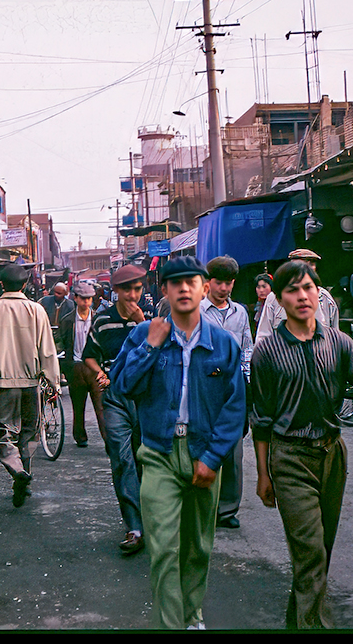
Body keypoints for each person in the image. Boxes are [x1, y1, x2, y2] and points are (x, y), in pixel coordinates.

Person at [250, 260, 353, 629]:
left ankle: (297, 623)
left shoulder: (340, 343)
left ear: (318, 293)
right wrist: (263, 474)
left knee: (319, 551)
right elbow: (261, 420)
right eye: (292, 290)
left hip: (332, 454)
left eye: (308, 287)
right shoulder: (267, 352)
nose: (302, 296)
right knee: (309, 551)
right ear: (279, 300)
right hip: (290, 457)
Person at [110, 256, 246, 630]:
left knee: (198, 548)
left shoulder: (223, 344)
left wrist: (214, 457)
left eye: (192, 281)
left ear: (204, 288)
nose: (184, 288)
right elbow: (123, 387)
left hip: (204, 453)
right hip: (158, 454)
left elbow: (235, 407)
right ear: (165, 291)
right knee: (164, 549)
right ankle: (172, 626)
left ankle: (192, 614)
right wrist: (151, 347)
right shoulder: (144, 334)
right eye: (175, 282)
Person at [0, 264, 61, 507]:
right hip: (30, 383)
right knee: (29, 432)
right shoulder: (36, 310)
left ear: (2, 285)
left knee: (6, 433)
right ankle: (23, 474)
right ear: (25, 285)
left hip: (1, 384)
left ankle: (17, 470)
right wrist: (53, 382)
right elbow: (48, 351)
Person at [81, 264, 150, 555]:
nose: (133, 294)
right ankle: (134, 526)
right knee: (121, 458)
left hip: (148, 398)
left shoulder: (153, 317)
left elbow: (162, 352)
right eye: (126, 289)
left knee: (148, 458)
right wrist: (98, 372)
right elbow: (89, 356)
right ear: (116, 291)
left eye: (137, 288)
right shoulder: (103, 320)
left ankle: (152, 518)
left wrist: (142, 321)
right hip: (116, 397)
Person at [199, 256, 253, 530]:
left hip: (233, 384)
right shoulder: (196, 310)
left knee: (233, 448)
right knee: (203, 443)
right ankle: (203, 504)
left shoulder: (240, 312)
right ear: (208, 283)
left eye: (228, 283)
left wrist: (246, 379)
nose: (223, 288)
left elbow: (247, 347)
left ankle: (228, 508)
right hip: (203, 384)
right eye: (218, 282)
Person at [255, 249, 339, 345]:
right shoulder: (275, 296)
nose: (307, 269)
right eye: (302, 264)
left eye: (311, 264)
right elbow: (263, 336)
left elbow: (334, 337)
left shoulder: (325, 298)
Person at [57, 281, 101, 447]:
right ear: (75, 298)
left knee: (101, 406)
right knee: (78, 405)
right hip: (75, 366)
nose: (86, 302)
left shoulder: (98, 319)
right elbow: (60, 342)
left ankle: (108, 439)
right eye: (83, 298)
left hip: (95, 368)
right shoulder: (67, 320)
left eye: (89, 298)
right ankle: (80, 436)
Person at [248, 272, 273, 340]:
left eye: (264, 287)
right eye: (258, 287)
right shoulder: (258, 306)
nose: (261, 290)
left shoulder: (277, 304)